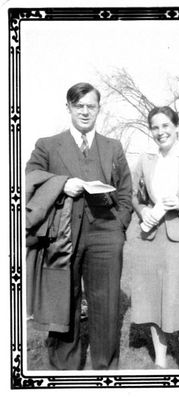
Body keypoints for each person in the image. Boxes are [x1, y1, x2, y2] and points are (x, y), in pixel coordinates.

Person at [26, 82, 132, 370]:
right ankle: (64, 368)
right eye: (79, 106)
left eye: (91, 106)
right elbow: (29, 177)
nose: (85, 111)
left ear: (99, 108)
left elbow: (125, 191)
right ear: (69, 108)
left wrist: (119, 228)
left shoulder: (113, 146)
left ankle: (105, 368)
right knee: (64, 297)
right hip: (63, 234)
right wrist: (62, 183)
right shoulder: (48, 145)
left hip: (106, 233)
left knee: (106, 302)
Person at [131, 106, 179, 369]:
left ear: (176, 126)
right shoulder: (145, 159)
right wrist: (144, 210)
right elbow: (133, 196)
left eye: (165, 125)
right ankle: (160, 362)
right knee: (154, 299)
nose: (160, 132)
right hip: (151, 238)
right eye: (155, 127)